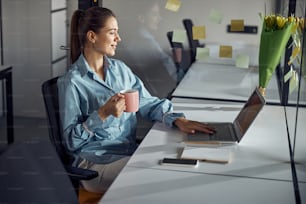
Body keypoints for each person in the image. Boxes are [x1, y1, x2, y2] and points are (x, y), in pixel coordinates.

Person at [57, 6, 215, 194]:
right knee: (161, 177)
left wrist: (178, 120)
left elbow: (147, 102)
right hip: (95, 164)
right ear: (92, 37)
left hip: (127, 152)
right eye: (112, 33)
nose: (118, 39)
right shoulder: (71, 82)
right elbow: (71, 142)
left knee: (178, 164)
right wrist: (102, 114)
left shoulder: (120, 69)